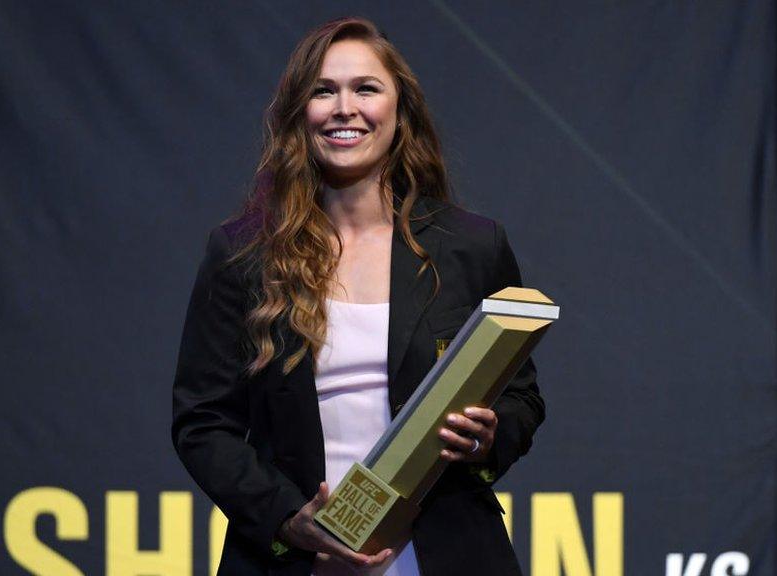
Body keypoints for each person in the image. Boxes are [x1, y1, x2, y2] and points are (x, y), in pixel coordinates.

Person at [172, 17, 544, 576]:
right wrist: (287, 519)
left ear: (401, 111)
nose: (344, 108)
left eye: (365, 88)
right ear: (300, 112)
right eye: (324, 91)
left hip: (447, 553)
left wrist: (487, 439)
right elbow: (202, 422)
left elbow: (522, 400)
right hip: (298, 560)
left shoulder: (471, 245)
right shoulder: (243, 252)